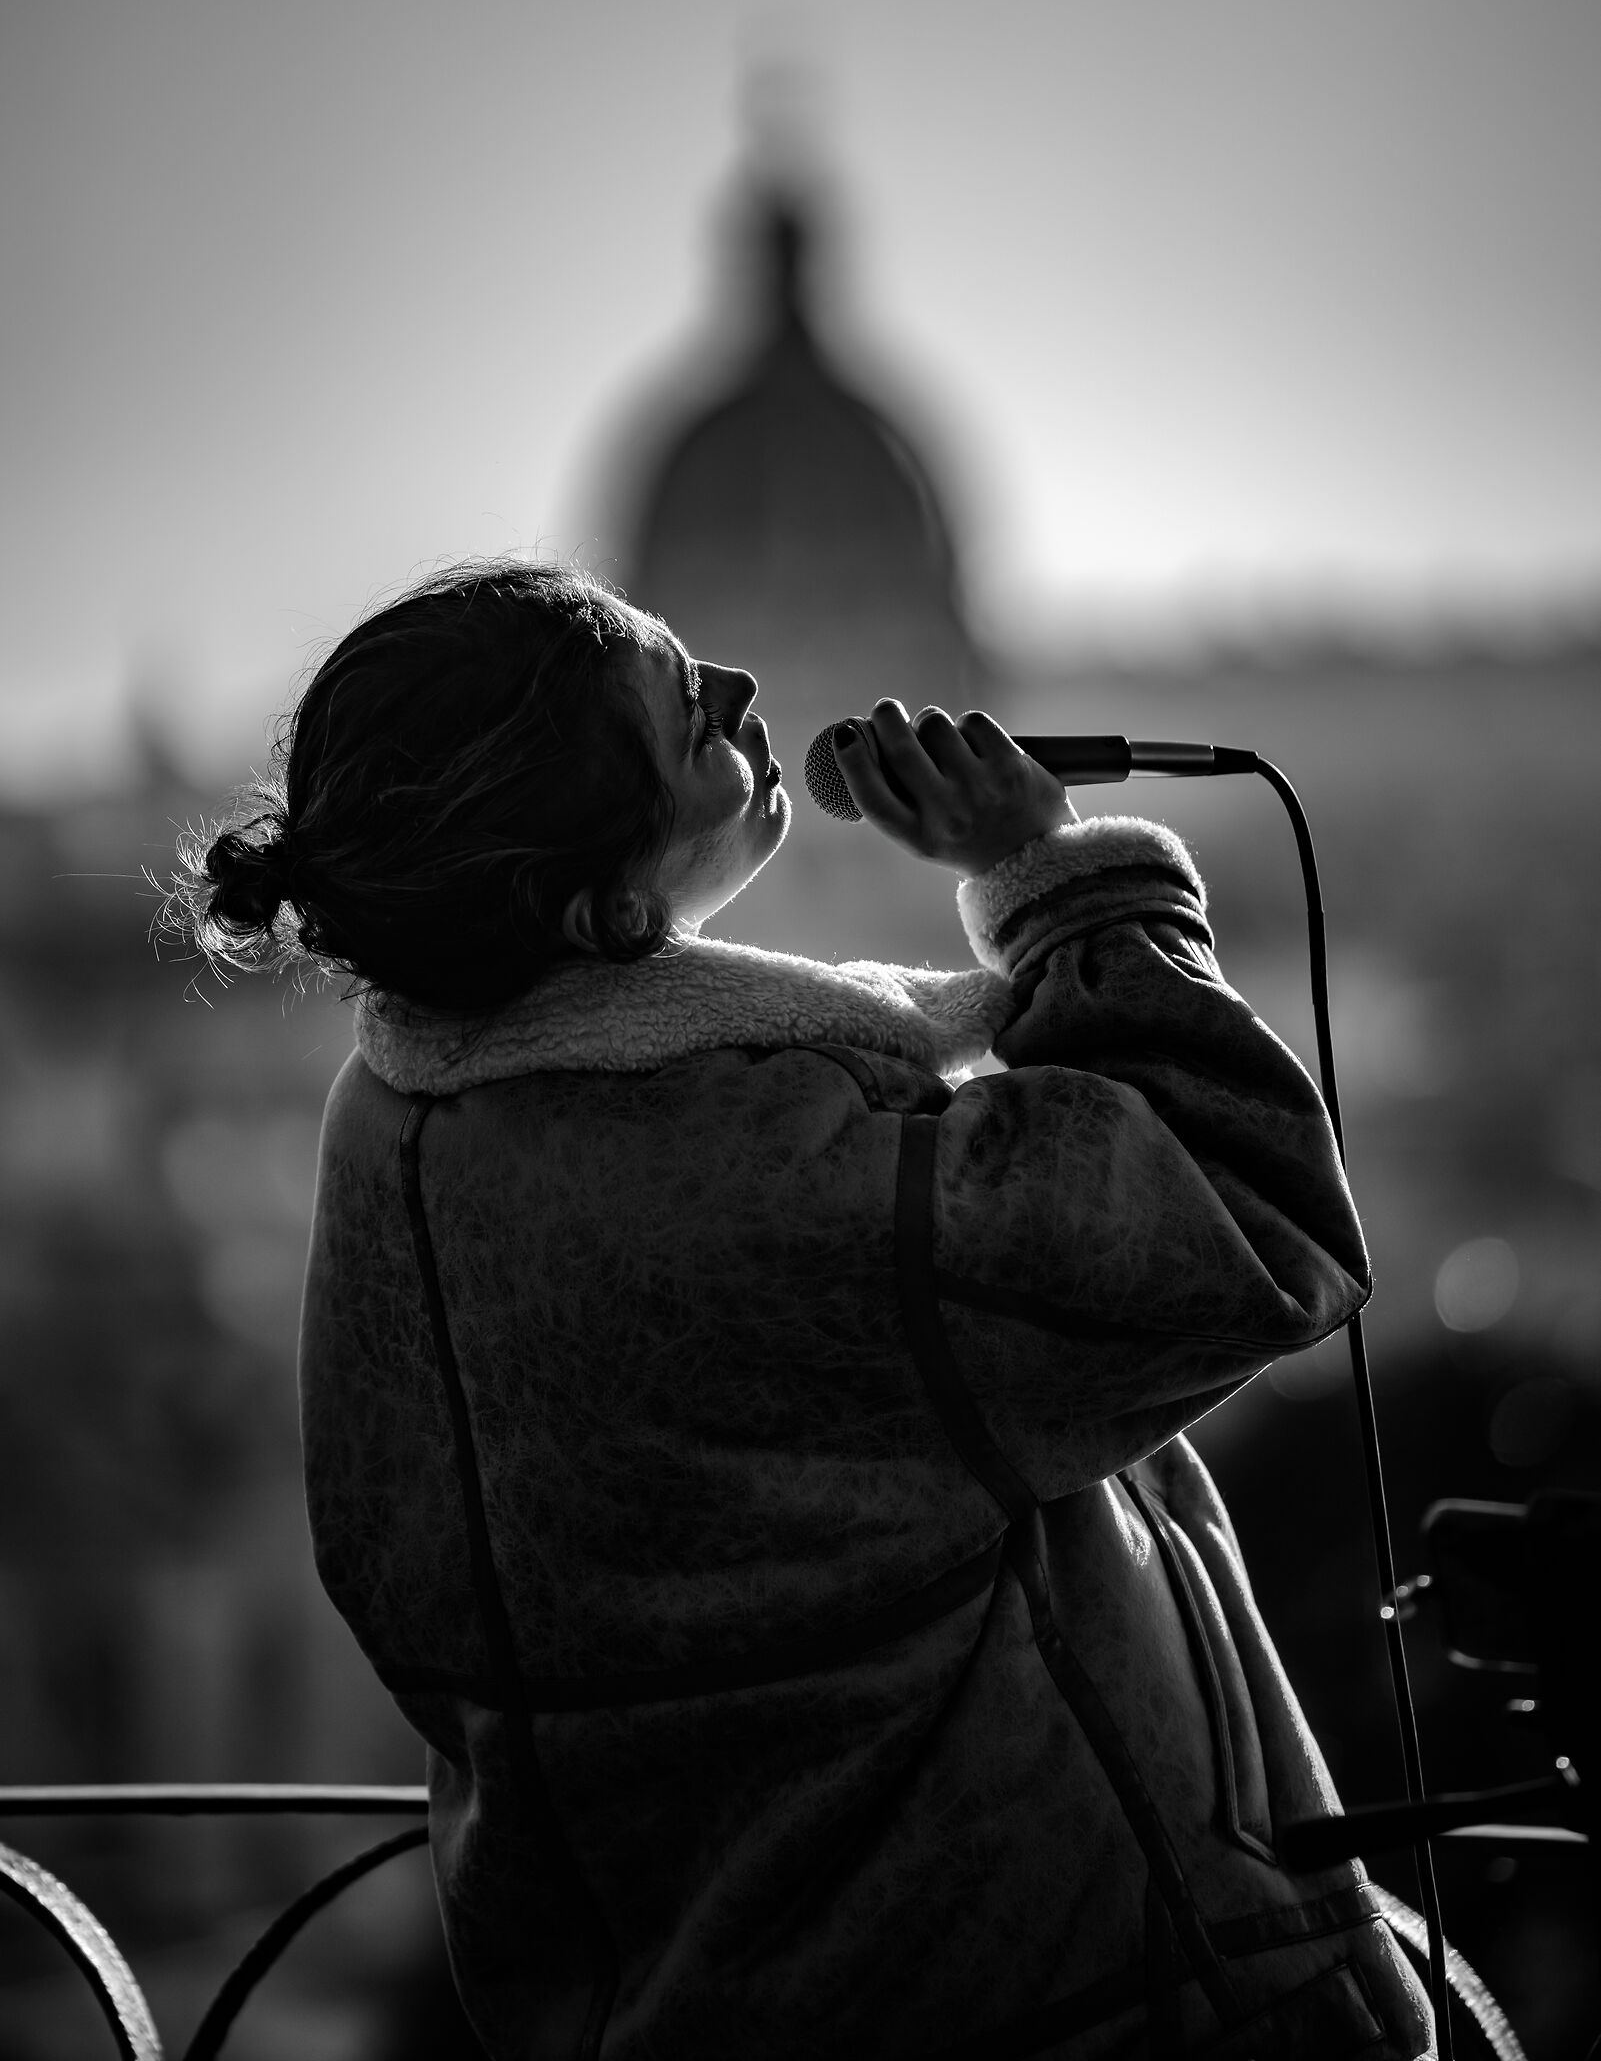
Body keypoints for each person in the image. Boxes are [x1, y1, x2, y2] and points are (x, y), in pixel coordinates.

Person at [173, 558, 1433, 2058]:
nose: (745, 694)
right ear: (605, 904)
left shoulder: (392, 1120)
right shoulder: (765, 1168)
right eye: (688, 712)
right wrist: (1054, 878)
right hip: (1057, 1999)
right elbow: (1253, 1220)